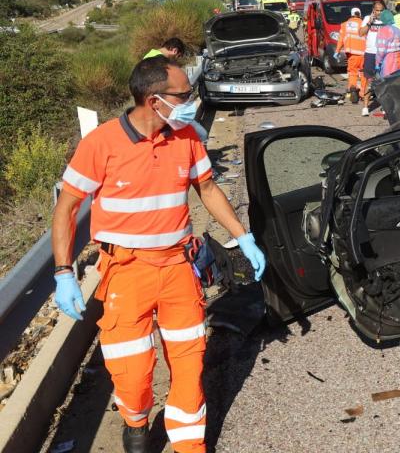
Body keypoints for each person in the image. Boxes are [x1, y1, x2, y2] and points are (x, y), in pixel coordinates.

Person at [52, 56, 267, 453]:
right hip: (125, 272)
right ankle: (135, 422)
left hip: (177, 268)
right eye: (184, 94)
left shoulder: (185, 136)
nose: (191, 100)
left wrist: (243, 236)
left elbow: (207, 190)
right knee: (131, 371)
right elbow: (65, 207)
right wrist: (64, 272)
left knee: (189, 363)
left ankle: (190, 446)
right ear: (154, 101)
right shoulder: (100, 143)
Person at [358, 1, 386, 116]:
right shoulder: (367, 18)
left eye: (381, 10)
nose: (379, 13)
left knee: (384, 81)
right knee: (369, 81)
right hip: (370, 53)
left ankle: (384, 106)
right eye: (377, 10)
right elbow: (360, 33)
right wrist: (369, 23)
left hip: (384, 54)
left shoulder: (387, 20)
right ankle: (365, 107)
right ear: (373, 10)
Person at [337, 7, 367, 103]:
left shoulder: (344, 25)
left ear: (351, 14)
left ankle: (352, 89)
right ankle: (363, 93)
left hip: (352, 54)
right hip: (364, 53)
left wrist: (337, 51)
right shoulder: (364, 24)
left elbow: (341, 39)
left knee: (352, 72)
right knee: (363, 74)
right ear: (360, 14)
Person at [373, 10, 400, 79]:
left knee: (387, 82)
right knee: (397, 81)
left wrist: (377, 64)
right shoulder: (398, 30)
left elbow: (381, 51)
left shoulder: (382, 31)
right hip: (398, 59)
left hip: (388, 60)